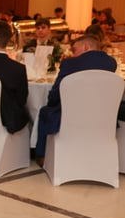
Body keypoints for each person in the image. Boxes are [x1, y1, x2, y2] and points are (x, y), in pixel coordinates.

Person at [34, 34, 116, 164]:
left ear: (86, 47)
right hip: (101, 116)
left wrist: (51, 102)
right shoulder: (111, 63)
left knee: (45, 111)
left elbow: (56, 94)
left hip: (72, 116)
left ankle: (42, 156)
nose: (73, 54)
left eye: (74, 50)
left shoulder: (70, 63)